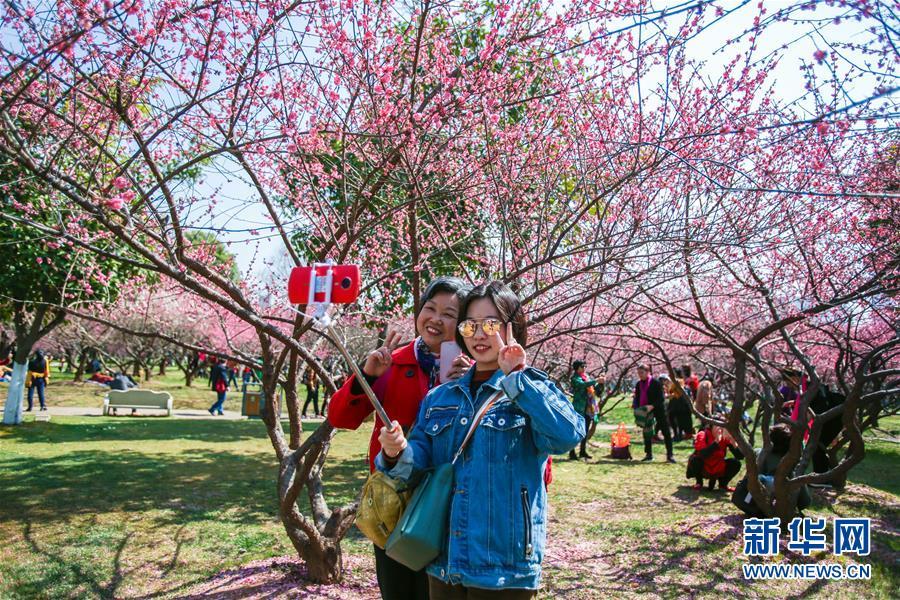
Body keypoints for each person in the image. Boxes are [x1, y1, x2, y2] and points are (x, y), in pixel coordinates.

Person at [377, 281, 584, 598]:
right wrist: (397, 452)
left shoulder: (530, 388)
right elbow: (420, 463)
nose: (479, 333)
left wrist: (516, 378)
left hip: (503, 567)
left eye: (491, 323)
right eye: (470, 325)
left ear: (512, 328)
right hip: (445, 560)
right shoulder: (440, 397)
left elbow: (567, 435)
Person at [328, 276, 472, 600]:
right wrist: (367, 375)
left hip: (450, 505)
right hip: (395, 505)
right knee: (399, 591)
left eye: (449, 314)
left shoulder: (474, 371)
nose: (436, 319)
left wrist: (469, 385)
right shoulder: (393, 361)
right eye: (430, 308)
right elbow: (340, 417)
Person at [732, 424, 811, 518]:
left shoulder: (759, 453)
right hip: (783, 500)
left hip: (752, 501)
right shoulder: (792, 459)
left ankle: (757, 509)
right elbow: (805, 501)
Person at [632, 365, 675, 463]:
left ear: (648, 372)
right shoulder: (639, 384)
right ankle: (649, 454)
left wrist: (652, 406)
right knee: (647, 432)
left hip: (658, 409)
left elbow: (661, 398)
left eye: (641, 373)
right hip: (645, 410)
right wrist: (637, 408)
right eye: (638, 373)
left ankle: (670, 455)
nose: (640, 375)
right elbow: (637, 397)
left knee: (665, 431)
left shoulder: (656, 383)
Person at [687, 424, 742, 491]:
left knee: (735, 463)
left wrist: (732, 441)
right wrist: (716, 442)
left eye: (722, 426)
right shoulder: (703, 434)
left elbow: (740, 456)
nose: (720, 429)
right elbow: (703, 455)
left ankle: (723, 484)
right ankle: (699, 482)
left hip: (718, 466)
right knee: (695, 460)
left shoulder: (724, 436)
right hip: (704, 466)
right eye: (718, 426)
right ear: (711, 427)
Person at [568, 360, 597, 460]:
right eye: (582, 366)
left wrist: (600, 383)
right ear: (577, 368)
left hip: (588, 407)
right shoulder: (575, 378)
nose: (584, 368)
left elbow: (594, 388)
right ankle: (572, 452)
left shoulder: (586, 378)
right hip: (578, 408)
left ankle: (582, 451)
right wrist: (596, 380)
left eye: (585, 366)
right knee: (576, 430)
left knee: (585, 430)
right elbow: (582, 385)